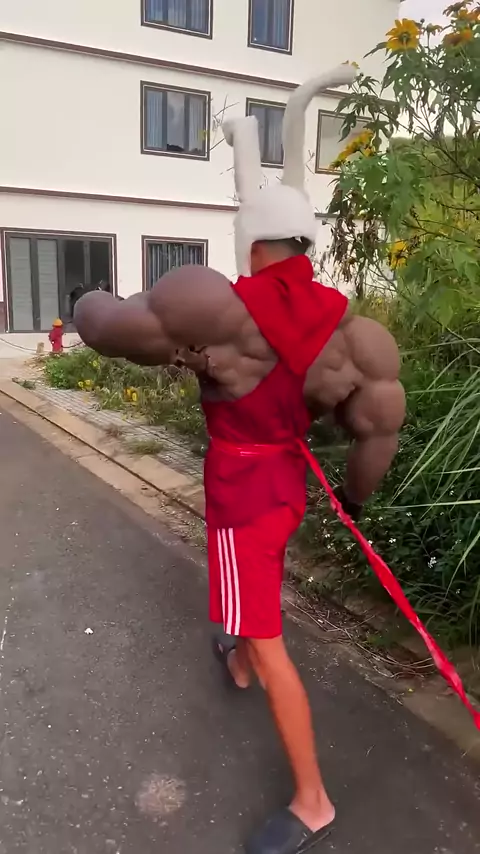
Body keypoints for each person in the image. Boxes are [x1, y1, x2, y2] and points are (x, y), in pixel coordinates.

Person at [74, 65, 405, 854]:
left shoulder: (220, 309)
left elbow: (106, 325)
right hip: (285, 487)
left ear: (250, 241)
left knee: (264, 634)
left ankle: (313, 799)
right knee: (249, 599)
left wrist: (88, 301)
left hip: (242, 494)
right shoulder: (354, 333)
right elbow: (376, 434)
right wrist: (354, 500)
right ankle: (241, 655)